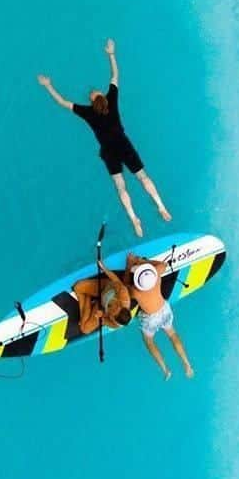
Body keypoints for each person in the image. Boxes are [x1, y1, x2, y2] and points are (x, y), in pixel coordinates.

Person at [37, 38, 171, 237]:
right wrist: (111, 54)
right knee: (143, 177)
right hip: (123, 144)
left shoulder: (87, 112)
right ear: (101, 97)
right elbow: (115, 75)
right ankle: (160, 206)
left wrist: (48, 86)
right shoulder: (112, 100)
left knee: (120, 186)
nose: (93, 91)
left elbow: (63, 102)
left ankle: (134, 218)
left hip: (108, 151)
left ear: (92, 101)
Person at [125, 253, 194, 379]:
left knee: (149, 341)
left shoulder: (136, 291)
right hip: (163, 309)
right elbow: (163, 264)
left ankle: (165, 369)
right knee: (172, 334)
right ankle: (186, 363)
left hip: (150, 318)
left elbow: (125, 289)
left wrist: (129, 264)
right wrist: (142, 260)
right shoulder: (156, 275)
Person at [74, 260, 134, 336]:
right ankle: (87, 298)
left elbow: (104, 320)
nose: (113, 309)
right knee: (77, 287)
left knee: (85, 329)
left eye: (112, 313)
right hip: (103, 289)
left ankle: (88, 299)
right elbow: (115, 279)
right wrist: (104, 268)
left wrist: (101, 316)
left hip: (100, 307)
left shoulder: (115, 324)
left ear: (114, 318)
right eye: (116, 308)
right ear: (121, 306)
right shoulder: (123, 293)